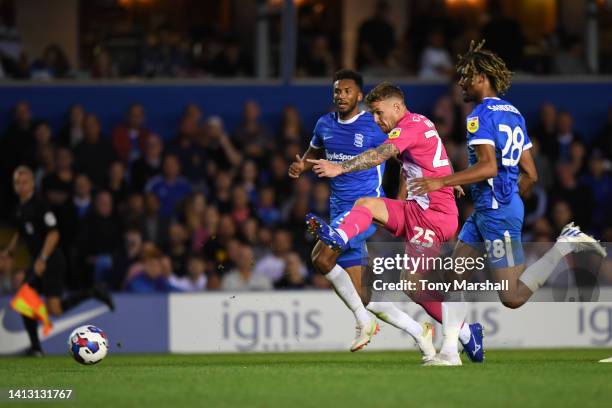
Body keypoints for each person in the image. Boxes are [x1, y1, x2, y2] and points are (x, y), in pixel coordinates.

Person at [408, 40, 606, 365]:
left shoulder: (478, 116)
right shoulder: (513, 113)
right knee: (454, 275)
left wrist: (443, 181)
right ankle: (449, 353)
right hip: (491, 210)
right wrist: (506, 197)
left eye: (465, 76)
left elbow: (488, 167)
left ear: (482, 76)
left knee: (511, 297)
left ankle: (563, 247)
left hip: (495, 213)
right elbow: (530, 173)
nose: (460, 82)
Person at [304, 81, 483, 364]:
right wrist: (434, 188)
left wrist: (341, 166)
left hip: (434, 218)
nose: (376, 119)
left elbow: (380, 154)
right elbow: (420, 161)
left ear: (397, 107)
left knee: (412, 285)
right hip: (416, 209)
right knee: (366, 204)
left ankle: (460, 337)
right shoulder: (418, 124)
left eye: (378, 113)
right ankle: (339, 235)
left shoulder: (407, 127)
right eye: (372, 114)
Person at [2, 166, 113, 356]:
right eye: (17, 183)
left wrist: (43, 259)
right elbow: (22, 231)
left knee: (50, 307)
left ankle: (91, 292)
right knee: (28, 299)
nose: (21, 186)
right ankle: (36, 348)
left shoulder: (39, 205)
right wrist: (10, 250)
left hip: (51, 261)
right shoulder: (19, 208)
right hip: (39, 261)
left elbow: (54, 234)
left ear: (32, 184)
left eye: (25, 182)